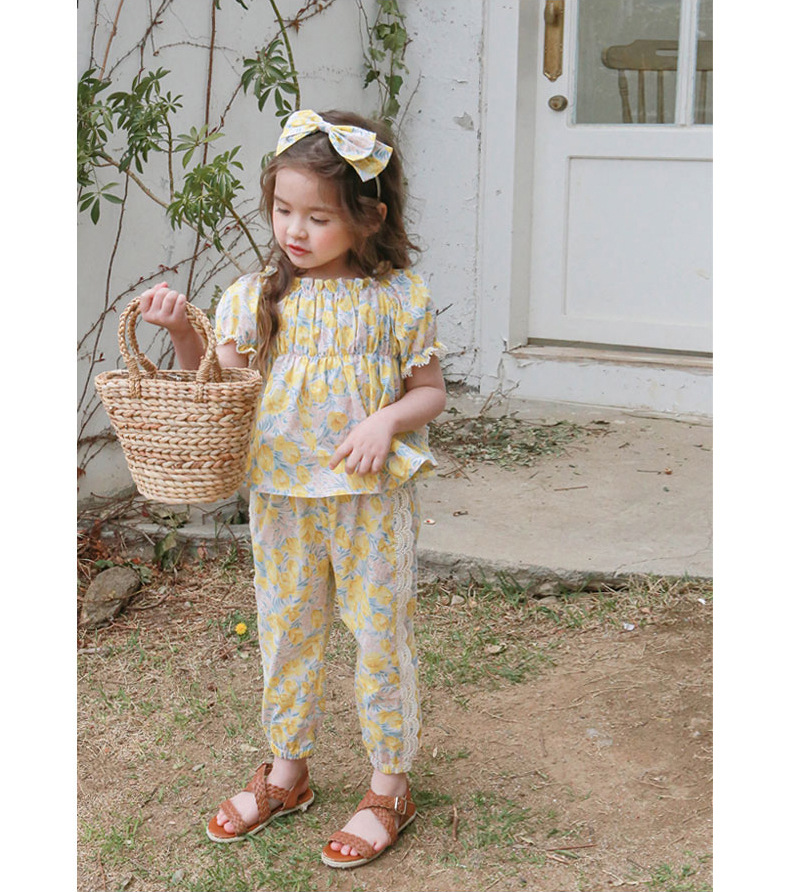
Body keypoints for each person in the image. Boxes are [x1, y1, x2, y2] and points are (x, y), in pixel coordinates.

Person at [138, 109, 446, 868]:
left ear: (370, 217)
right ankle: (287, 773)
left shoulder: (399, 299)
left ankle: (389, 785)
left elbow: (430, 392)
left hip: (369, 500)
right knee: (286, 633)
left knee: (379, 636)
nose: (294, 231)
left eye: (317, 216)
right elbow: (223, 386)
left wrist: (387, 420)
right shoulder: (252, 298)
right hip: (281, 498)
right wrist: (182, 332)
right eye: (282, 210)